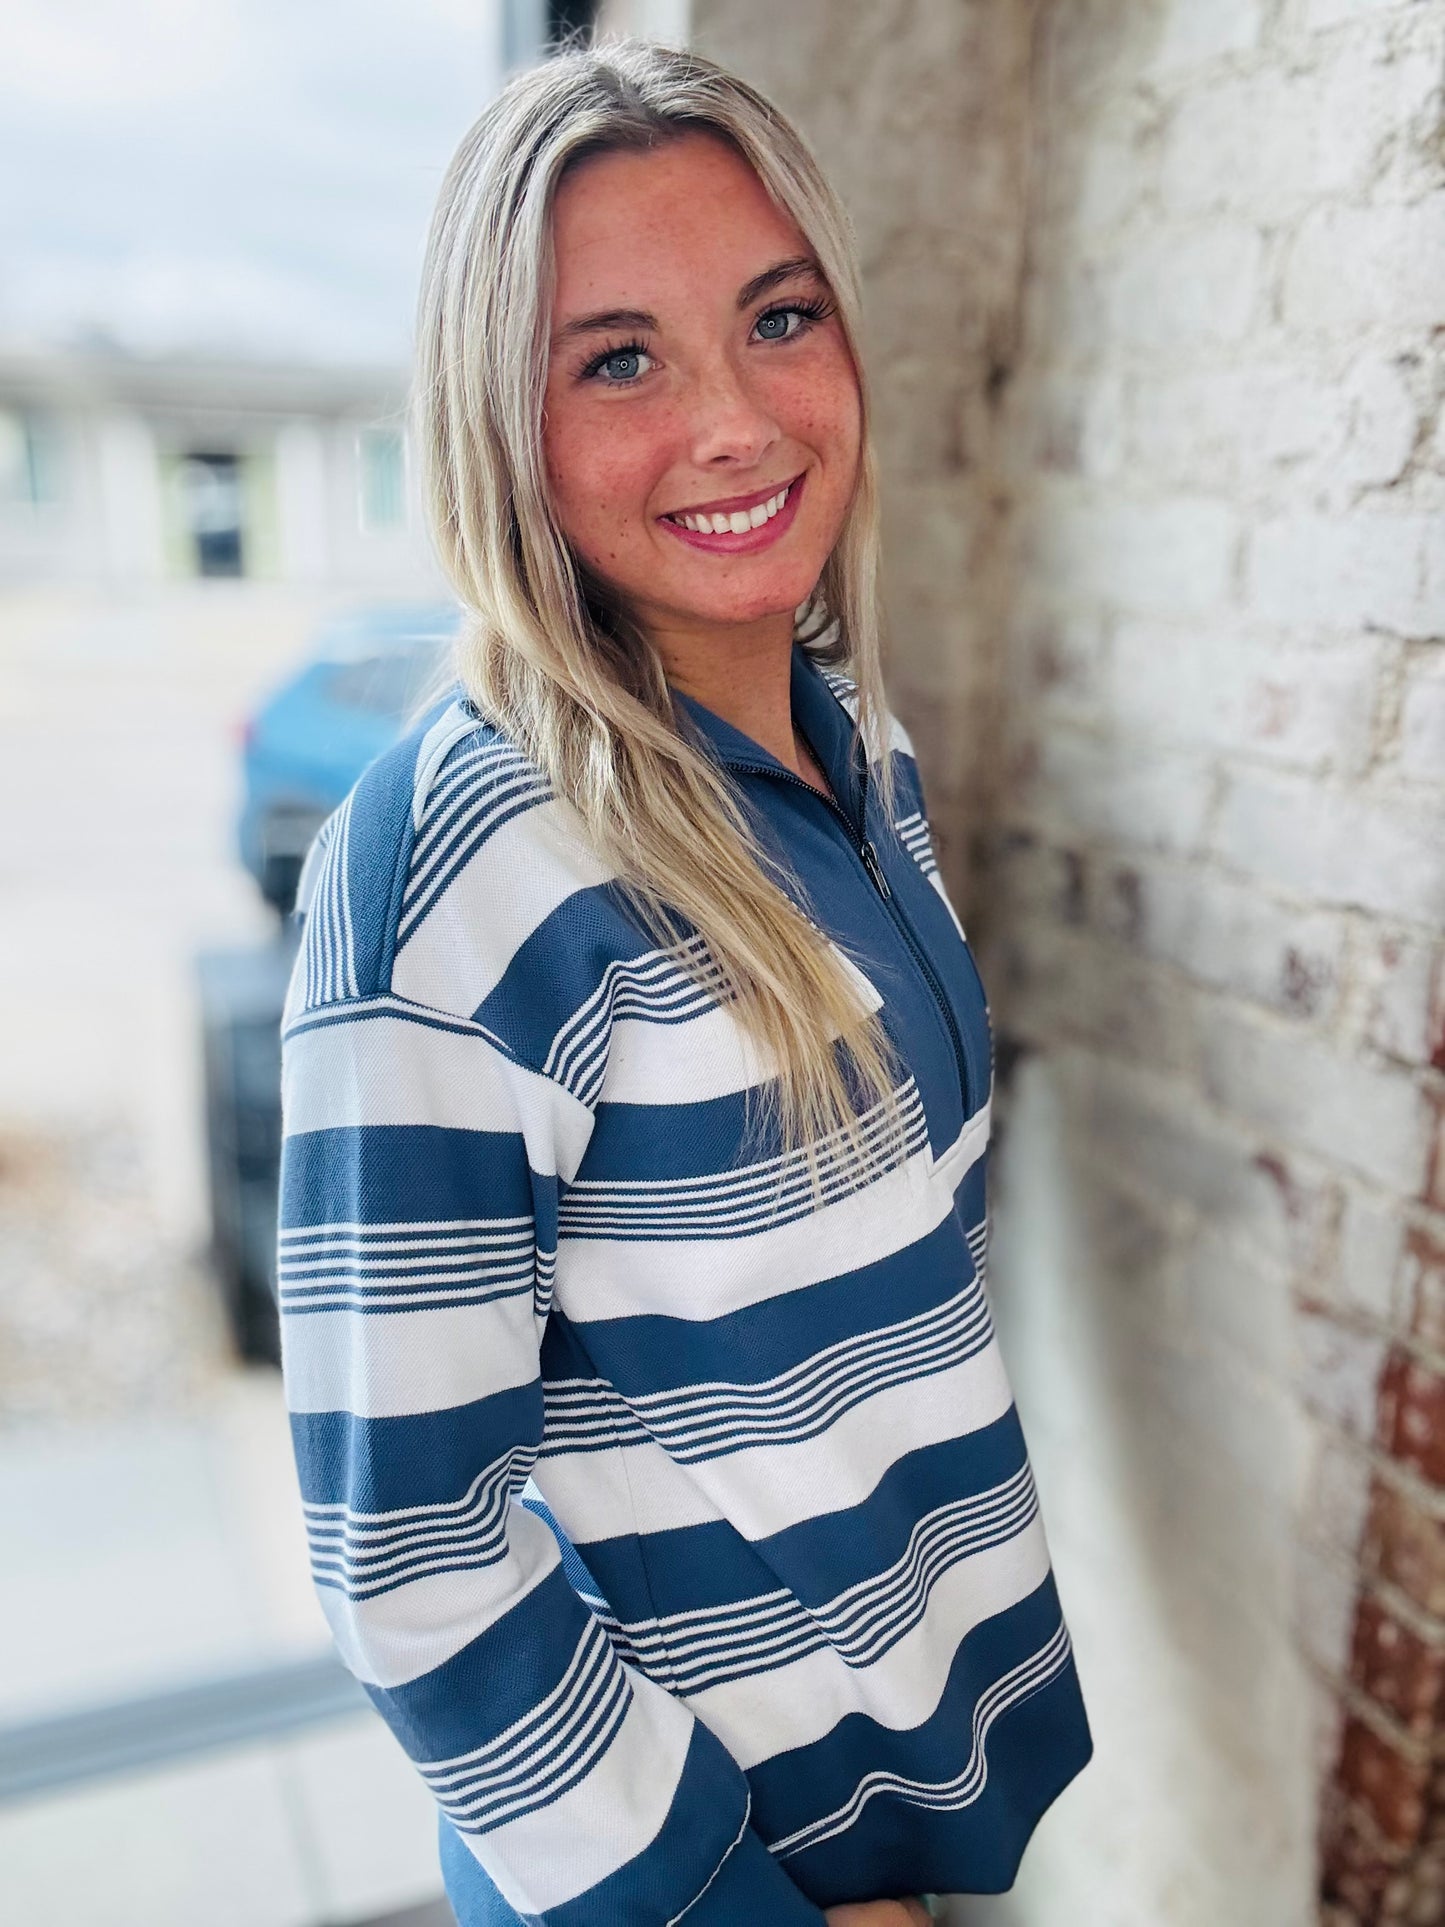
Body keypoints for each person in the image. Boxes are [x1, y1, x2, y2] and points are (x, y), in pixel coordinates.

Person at [276, 36, 1092, 1927]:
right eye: (618, 359)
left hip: (896, 1775)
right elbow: (406, 1554)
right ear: (499, 418)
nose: (734, 420)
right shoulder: (452, 871)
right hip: (694, 1865)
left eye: (778, 316)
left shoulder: (850, 738)